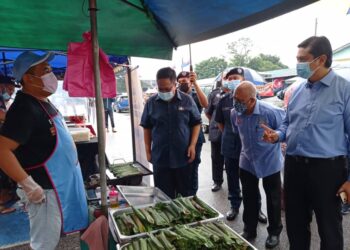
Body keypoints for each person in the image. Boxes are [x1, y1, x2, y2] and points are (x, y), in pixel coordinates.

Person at [262, 36, 350, 250]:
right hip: (294, 167)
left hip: (327, 170)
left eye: (302, 59)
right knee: (295, 225)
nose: (298, 64)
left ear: (321, 59)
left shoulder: (344, 89)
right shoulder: (298, 90)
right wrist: (278, 135)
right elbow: (287, 123)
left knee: (329, 229)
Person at [0, 51, 88, 250]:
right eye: (46, 71)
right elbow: (2, 150)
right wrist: (29, 184)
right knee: (44, 244)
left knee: (54, 237)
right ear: (29, 78)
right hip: (44, 190)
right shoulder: (23, 108)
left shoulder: (42, 102)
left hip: (58, 185)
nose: (52, 75)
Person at [231, 81, 284, 248]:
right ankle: (249, 229)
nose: (236, 104)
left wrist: (277, 135)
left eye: (240, 101)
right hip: (247, 162)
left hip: (269, 162)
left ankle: (274, 232)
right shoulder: (235, 113)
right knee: (249, 197)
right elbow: (237, 132)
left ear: (252, 100)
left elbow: (286, 125)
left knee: (274, 199)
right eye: (234, 99)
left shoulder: (270, 112)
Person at [215, 68, 268, 223]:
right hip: (230, 146)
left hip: (250, 148)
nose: (232, 81)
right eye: (229, 78)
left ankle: (257, 209)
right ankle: (234, 206)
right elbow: (219, 121)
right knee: (232, 178)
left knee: (252, 179)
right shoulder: (224, 100)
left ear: (243, 79)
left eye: (235, 77)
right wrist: (233, 134)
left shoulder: (254, 98)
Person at [140, 67, 201, 199]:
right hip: (160, 157)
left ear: (175, 84)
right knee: (163, 197)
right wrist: (148, 150)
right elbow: (147, 127)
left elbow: (196, 123)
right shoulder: (151, 103)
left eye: (167, 89)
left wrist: (192, 145)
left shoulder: (187, 100)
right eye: (160, 89)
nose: (163, 92)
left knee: (185, 195)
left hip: (183, 156)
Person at [177, 71, 208, 196]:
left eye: (185, 81)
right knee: (180, 167)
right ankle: (181, 193)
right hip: (180, 137)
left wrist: (196, 83)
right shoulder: (175, 96)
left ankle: (192, 195)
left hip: (196, 138)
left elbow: (205, 104)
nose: (183, 83)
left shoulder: (195, 95)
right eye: (180, 81)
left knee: (193, 166)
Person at [205, 80, 225, 192]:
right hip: (217, 131)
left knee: (234, 160)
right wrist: (215, 122)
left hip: (232, 132)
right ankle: (217, 181)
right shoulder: (214, 94)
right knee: (216, 158)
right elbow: (208, 112)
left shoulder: (238, 92)